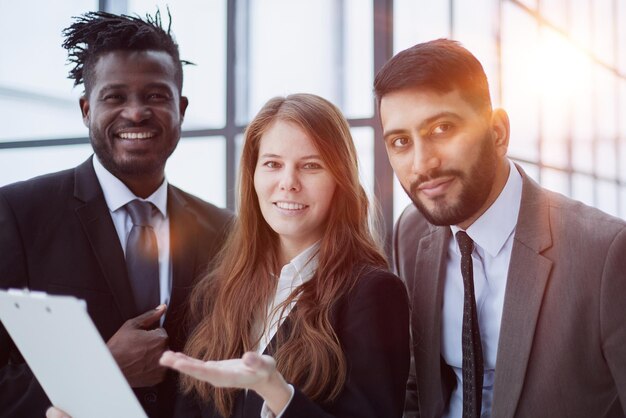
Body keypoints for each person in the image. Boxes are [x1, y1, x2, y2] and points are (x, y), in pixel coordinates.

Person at [373, 38, 626, 418]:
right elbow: (418, 386)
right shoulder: (412, 232)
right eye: (401, 141)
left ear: (498, 132)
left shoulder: (606, 252)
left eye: (442, 128)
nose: (422, 164)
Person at [0, 10, 232, 418]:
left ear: (181, 108)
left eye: (156, 96)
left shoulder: (225, 232)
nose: (136, 112)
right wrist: (99, 372)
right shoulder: (18, 215)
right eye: (115, 96)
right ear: (87, 109)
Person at [156, 93, 410, 418]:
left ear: (340, 180)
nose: (288, 183)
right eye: (273, 164)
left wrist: (278, 393)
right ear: (253, 176)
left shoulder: (372, 293)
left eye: (311, 166)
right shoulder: (219, 289)